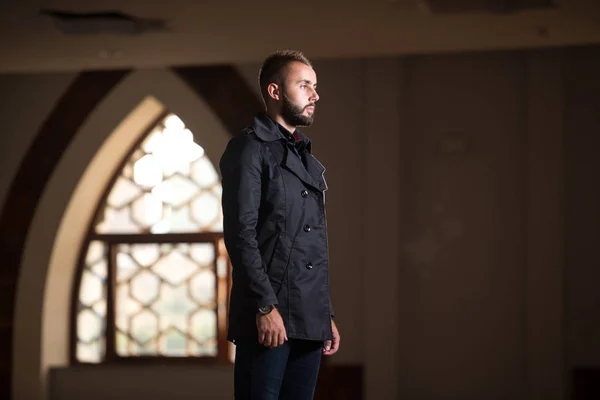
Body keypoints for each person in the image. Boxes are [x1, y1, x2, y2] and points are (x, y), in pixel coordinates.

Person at [219, 49, 340, 400]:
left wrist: (324, 314)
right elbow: (241, 235)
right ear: (275, 92)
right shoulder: (248, 149)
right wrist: (264, 306)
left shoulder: (306, 157)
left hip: (308, 317)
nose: (315, 95)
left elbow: (310, 245)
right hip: (268, 316)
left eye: (314, 87)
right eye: (304, 86)